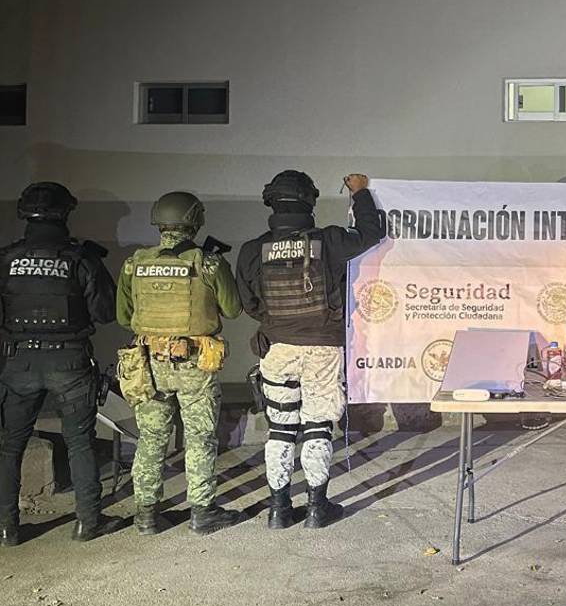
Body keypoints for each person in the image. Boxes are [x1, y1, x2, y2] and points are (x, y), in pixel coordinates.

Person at [236, 171, 384, 529]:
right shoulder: (329, 240)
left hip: (277, 350)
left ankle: (278, 511)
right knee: (318, 427)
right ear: (310, 202)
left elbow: (248, 304)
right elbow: (371, 233)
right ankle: (317, 509)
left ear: (271, 202)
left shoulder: (252, 250)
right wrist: (360, 193)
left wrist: (280, 324)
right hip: (322, 350)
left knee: (280, 430)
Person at [0, 182, 122, 545]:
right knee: (80, 443)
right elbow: (106, 313)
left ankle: (7, 528)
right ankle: (88, 523)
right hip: (69, 362)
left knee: (10, 446)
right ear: (66, 213)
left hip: (19, 362)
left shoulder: (6, 259)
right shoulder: (81, 258)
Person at [116, 191, 243, 535]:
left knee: (151, 437)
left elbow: (124, 317)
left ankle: (145, 515)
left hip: (149, 364)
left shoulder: (134, 263)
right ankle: (202, 513)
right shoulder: (209, 263)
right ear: (196, 221)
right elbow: (233, 309)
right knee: (200, 437)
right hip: (195, 364)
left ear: (158, 221)